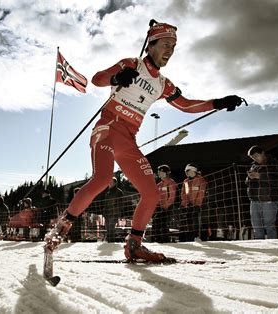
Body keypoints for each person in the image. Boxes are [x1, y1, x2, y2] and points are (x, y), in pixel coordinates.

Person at [44, 22, 243, 261]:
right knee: (103, 179)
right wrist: (117, 76)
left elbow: (187, 105)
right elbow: (98, 79)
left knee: (151, 194)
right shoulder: (132, 64)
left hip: (128, 140)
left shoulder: (163, 84)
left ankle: (134, 245)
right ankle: (60, 229)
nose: (170, 50)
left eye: (174, 46)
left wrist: (218, 103)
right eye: (166, 44)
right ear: (151, 44)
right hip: (107, 130)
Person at [245, 145, 278, 239]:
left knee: (269, 226)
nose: (255, 159)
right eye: (253, 157)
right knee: (256, 227)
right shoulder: (254, 166)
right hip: (254, 200)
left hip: (269, 200)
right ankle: (261, 248)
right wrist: (249, 178)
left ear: (263, 153)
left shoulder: (275, 164)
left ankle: (273, 248)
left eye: (256, 156)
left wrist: (260, 176)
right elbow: (247, 183)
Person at [180, 164, 208, 242]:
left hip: (199, 205)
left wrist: (197, 204)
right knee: (189, 221)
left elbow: (201, 193)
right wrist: (187, 203)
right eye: (186, 172)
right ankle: (189, 237)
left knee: (198, 220)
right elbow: (184, 193)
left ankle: (198, 236)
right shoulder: (186, 182)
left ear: (194, 171)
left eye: (188, 171)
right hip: (189, 206)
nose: (187, 173)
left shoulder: (201, 180)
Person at [152, 165, 177, 243]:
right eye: (159, 172)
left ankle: (165, 240)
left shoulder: (170, 182)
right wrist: (156, 208)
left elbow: (172, 197)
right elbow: (156, 197)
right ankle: (157, 240)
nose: (160, 174)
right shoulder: (159, 185)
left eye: (162, 172)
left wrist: (165, 207)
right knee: (156, 223)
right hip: (160, 208)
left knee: (164, 224)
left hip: (168, 207)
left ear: (167, 173)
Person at [104, 177, 125, 242]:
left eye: (111, 182)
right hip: (107, 213)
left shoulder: (119, 192)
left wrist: (116, 212)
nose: (109, 183)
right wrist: (104, 211)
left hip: (114, 213)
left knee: (111, 228)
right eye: (109, 182)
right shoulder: (108, 193)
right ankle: (109, 242)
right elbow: (105, 203)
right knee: (108, 228)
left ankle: (111, 243)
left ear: (115, 183)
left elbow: (121, 204)